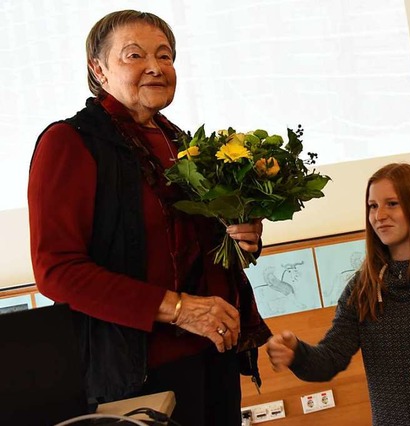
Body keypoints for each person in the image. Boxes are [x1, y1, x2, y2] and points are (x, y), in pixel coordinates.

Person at [28, 10, 271, 425]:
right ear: (98, 69)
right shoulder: (70, 142)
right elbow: (57, 270)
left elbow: (195, 250)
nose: (156, 67)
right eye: (134, 55)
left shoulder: (183, 144)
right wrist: (179, 308)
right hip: (140, 375)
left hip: (214, 354)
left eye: (165, 55)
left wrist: (240, 236)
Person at [266, 163, 410, 425]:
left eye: (392, 203)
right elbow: (330, 358)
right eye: (372, 206)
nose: (379, 215)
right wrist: (297, 354)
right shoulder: (363, 288)